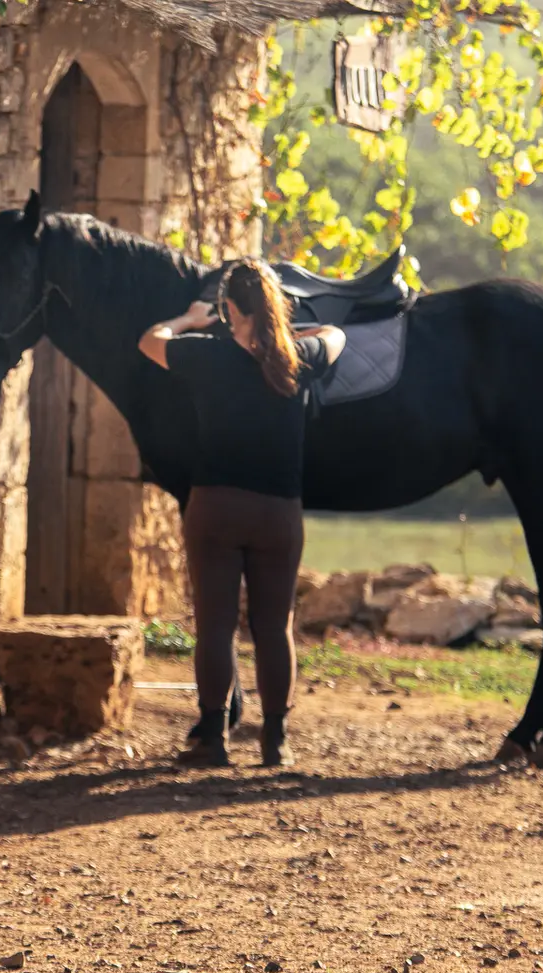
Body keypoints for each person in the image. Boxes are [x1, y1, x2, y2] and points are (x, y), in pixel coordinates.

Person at [138, 260, 345, 769]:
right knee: (275, 626)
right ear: (274, 307)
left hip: (216, 508)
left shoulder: (205, 356)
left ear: (230, 308)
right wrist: (293, 331)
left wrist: (190, 318)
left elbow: (149, 340)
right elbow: (338, 335)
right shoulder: (299, 359)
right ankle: (275, 741)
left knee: (215, 625)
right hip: (278, 513)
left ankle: (212, 737)